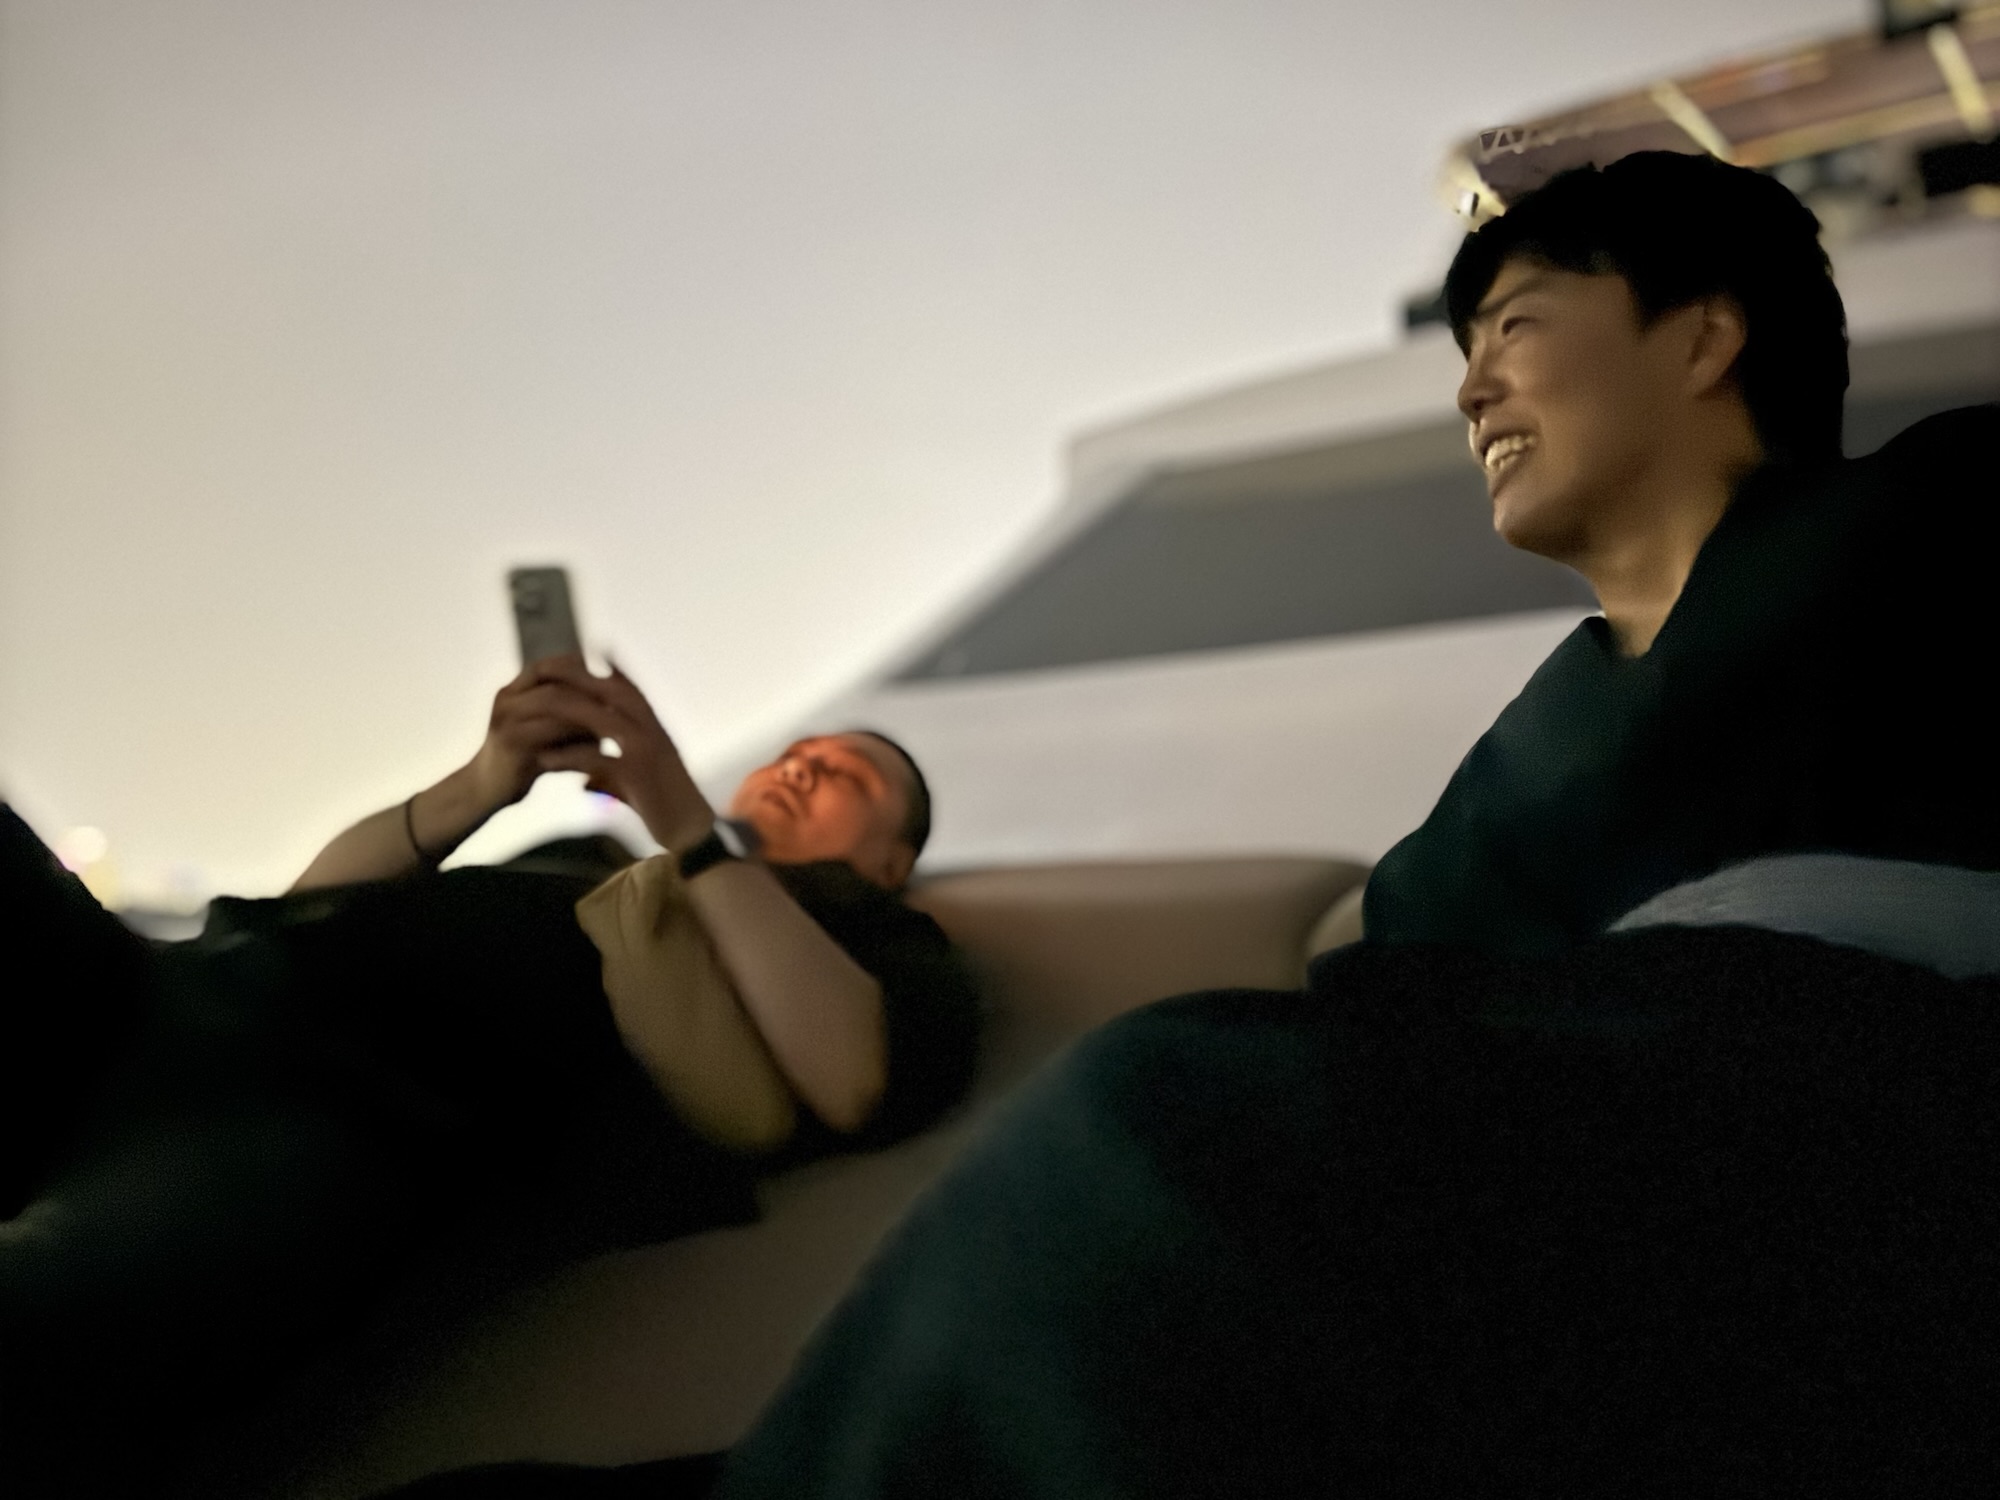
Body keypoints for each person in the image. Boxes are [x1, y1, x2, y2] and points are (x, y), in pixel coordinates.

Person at [691, 153, 2000, 1496]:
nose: (1471, 389)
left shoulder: (1952, 504)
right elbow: (1397, 1009)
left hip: (1887, 1120)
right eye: (1466, 353)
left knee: (1156, 1122)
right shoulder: (1516, 762)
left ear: (1704, 338)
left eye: (1517, 327)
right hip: (1580, 1200)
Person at [0, 656, 978, 1499]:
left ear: (891, 861)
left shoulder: (878, 946)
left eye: (845, 774)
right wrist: (482, 782)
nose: (802, 767)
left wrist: (690, 827)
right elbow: (303, 905)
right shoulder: (592, 862)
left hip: (341, 1119)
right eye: (795, 753)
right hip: (182, 993)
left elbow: (854, 1079)